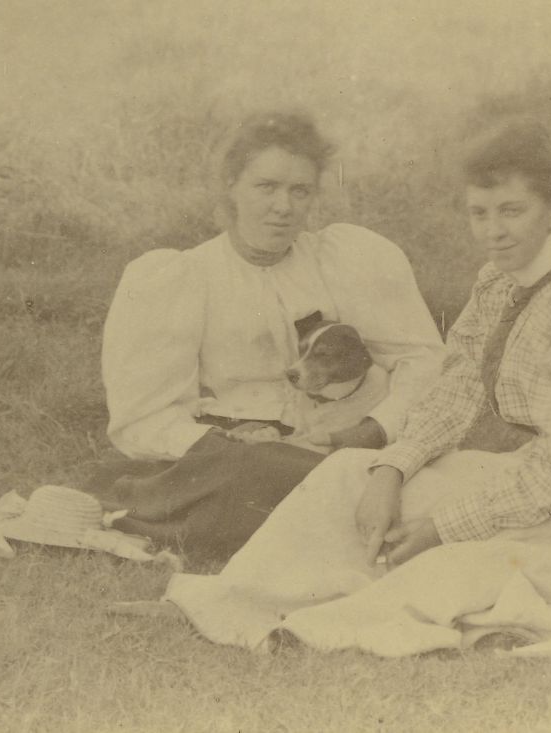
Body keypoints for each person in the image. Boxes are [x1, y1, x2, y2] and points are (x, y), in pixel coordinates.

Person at [156, 119, 551, 654]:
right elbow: (455, 394)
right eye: (479, 213)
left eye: (512, 211)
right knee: (349, 472)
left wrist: (442, 526)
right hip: (534, 476)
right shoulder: (499, 281)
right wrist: (392, 466)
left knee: (451, 561)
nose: (494, 231)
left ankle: (302, 625)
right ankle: (233, 598)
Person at [84, 111, 445, 561]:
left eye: (300, 190)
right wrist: (224, 445)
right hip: (232, 457)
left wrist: (372, 431)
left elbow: (424, 362)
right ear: (231, 186)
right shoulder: (181, 278)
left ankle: (321, 511)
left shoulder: (343, 260)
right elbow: (142, 419)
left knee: (389, 475)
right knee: (255, 475)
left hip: (343, 445)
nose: (283, 206)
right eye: (266, 187)